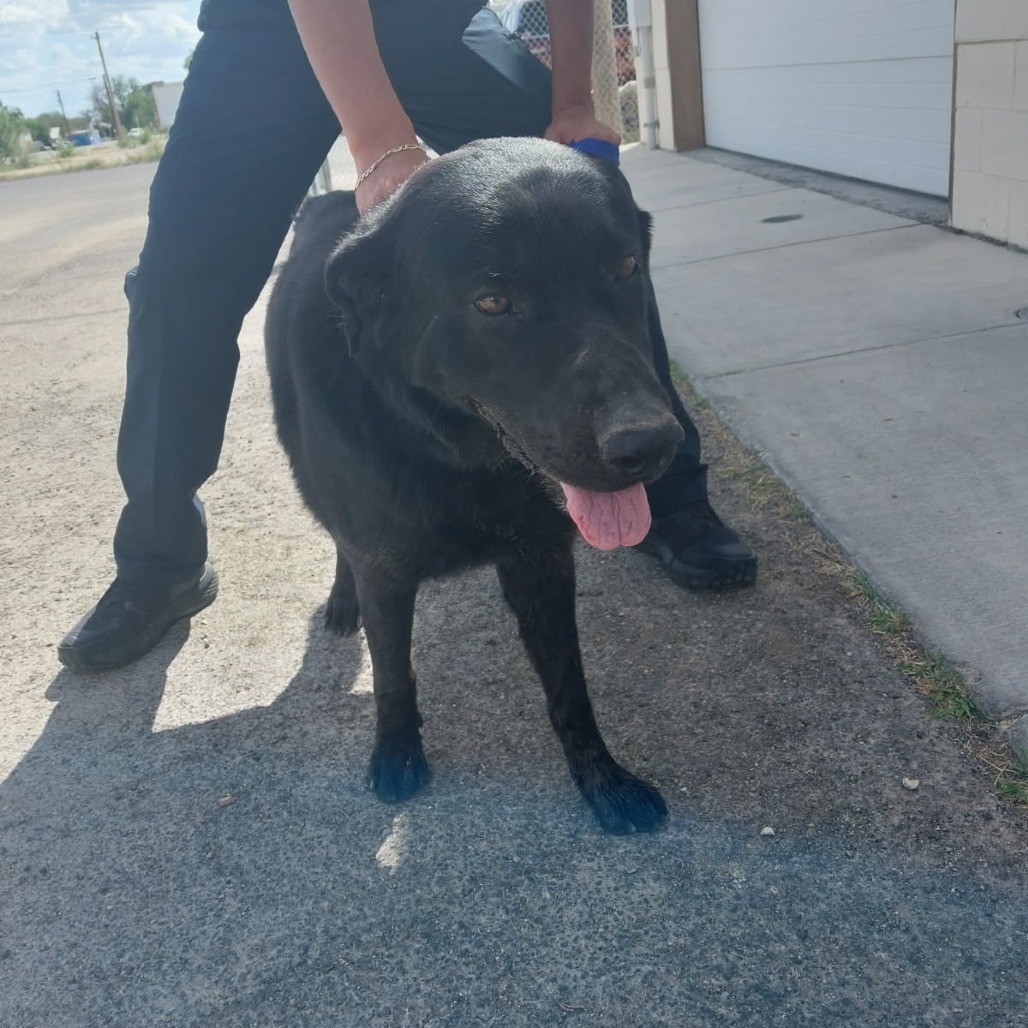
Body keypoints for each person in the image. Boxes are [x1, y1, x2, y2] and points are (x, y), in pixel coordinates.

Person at [57, 0, 757, 672]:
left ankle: (668, 496)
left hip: (439, 19)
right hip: (267, 27)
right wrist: (378, 141)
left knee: (590, 233)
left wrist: (571, 99)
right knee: (178, 287)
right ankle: (161, 560)